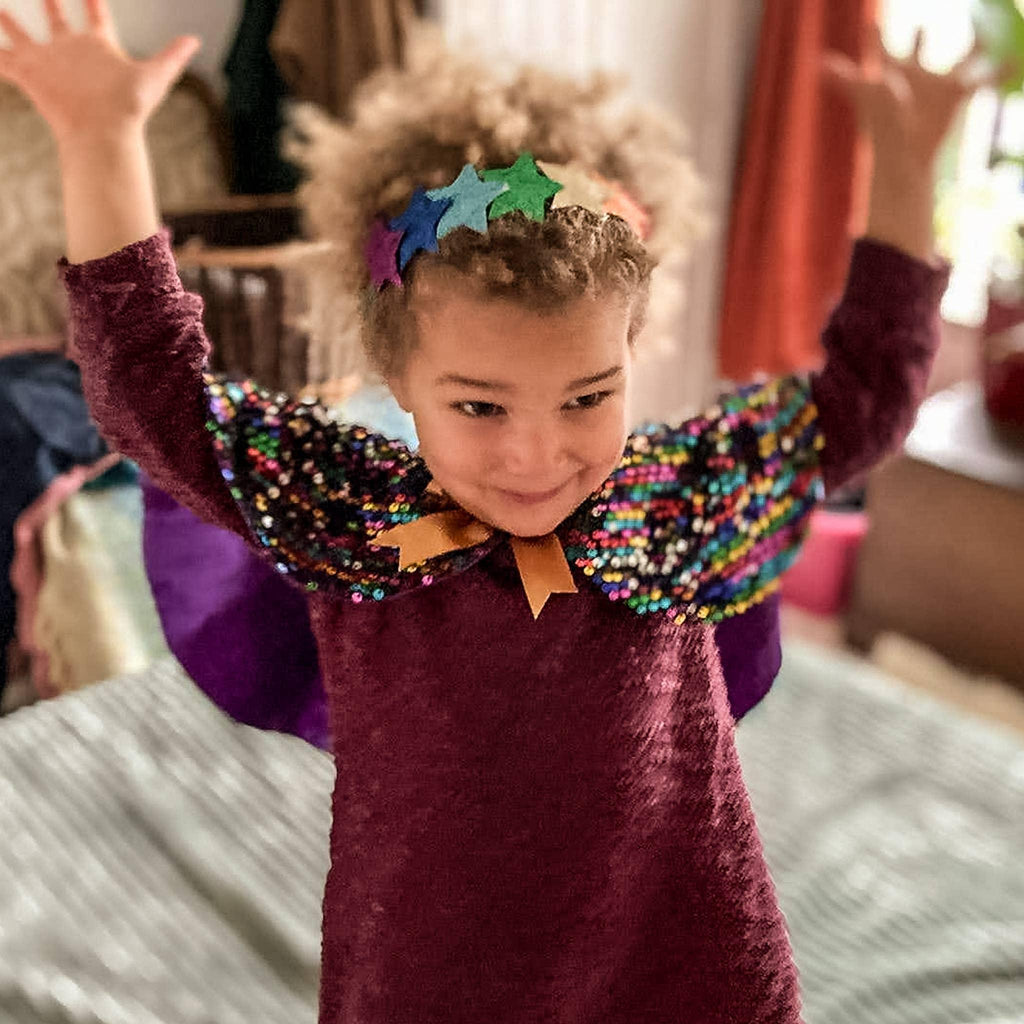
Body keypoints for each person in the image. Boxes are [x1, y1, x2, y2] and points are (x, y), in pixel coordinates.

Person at [0, 1, 1008, 1019]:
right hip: (433, 974)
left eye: (587, 397)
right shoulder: (355, 511)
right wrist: (98, 138)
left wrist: (903, 168)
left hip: (680, 962)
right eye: (480, 406)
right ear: (398, 374)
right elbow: (158, 399)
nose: (536, 457)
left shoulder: (677, 496)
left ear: (631, 350)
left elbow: (861, 402)